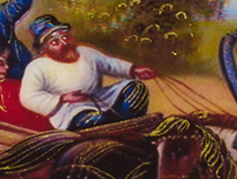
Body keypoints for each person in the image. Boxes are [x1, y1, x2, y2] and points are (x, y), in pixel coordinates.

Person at [19, 15, 157, 130]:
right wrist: (62, 98)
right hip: (72, 110)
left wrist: (133, 70)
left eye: (65, 37)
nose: (64, 43)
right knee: (96, 120)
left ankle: (129, 125)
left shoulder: (86, 52)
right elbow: (28, 97)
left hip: (102, 98)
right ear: (43, 49)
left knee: (136, 88)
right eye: (55, 42)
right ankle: (119, 127)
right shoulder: (37, 67)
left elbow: (110, 64)